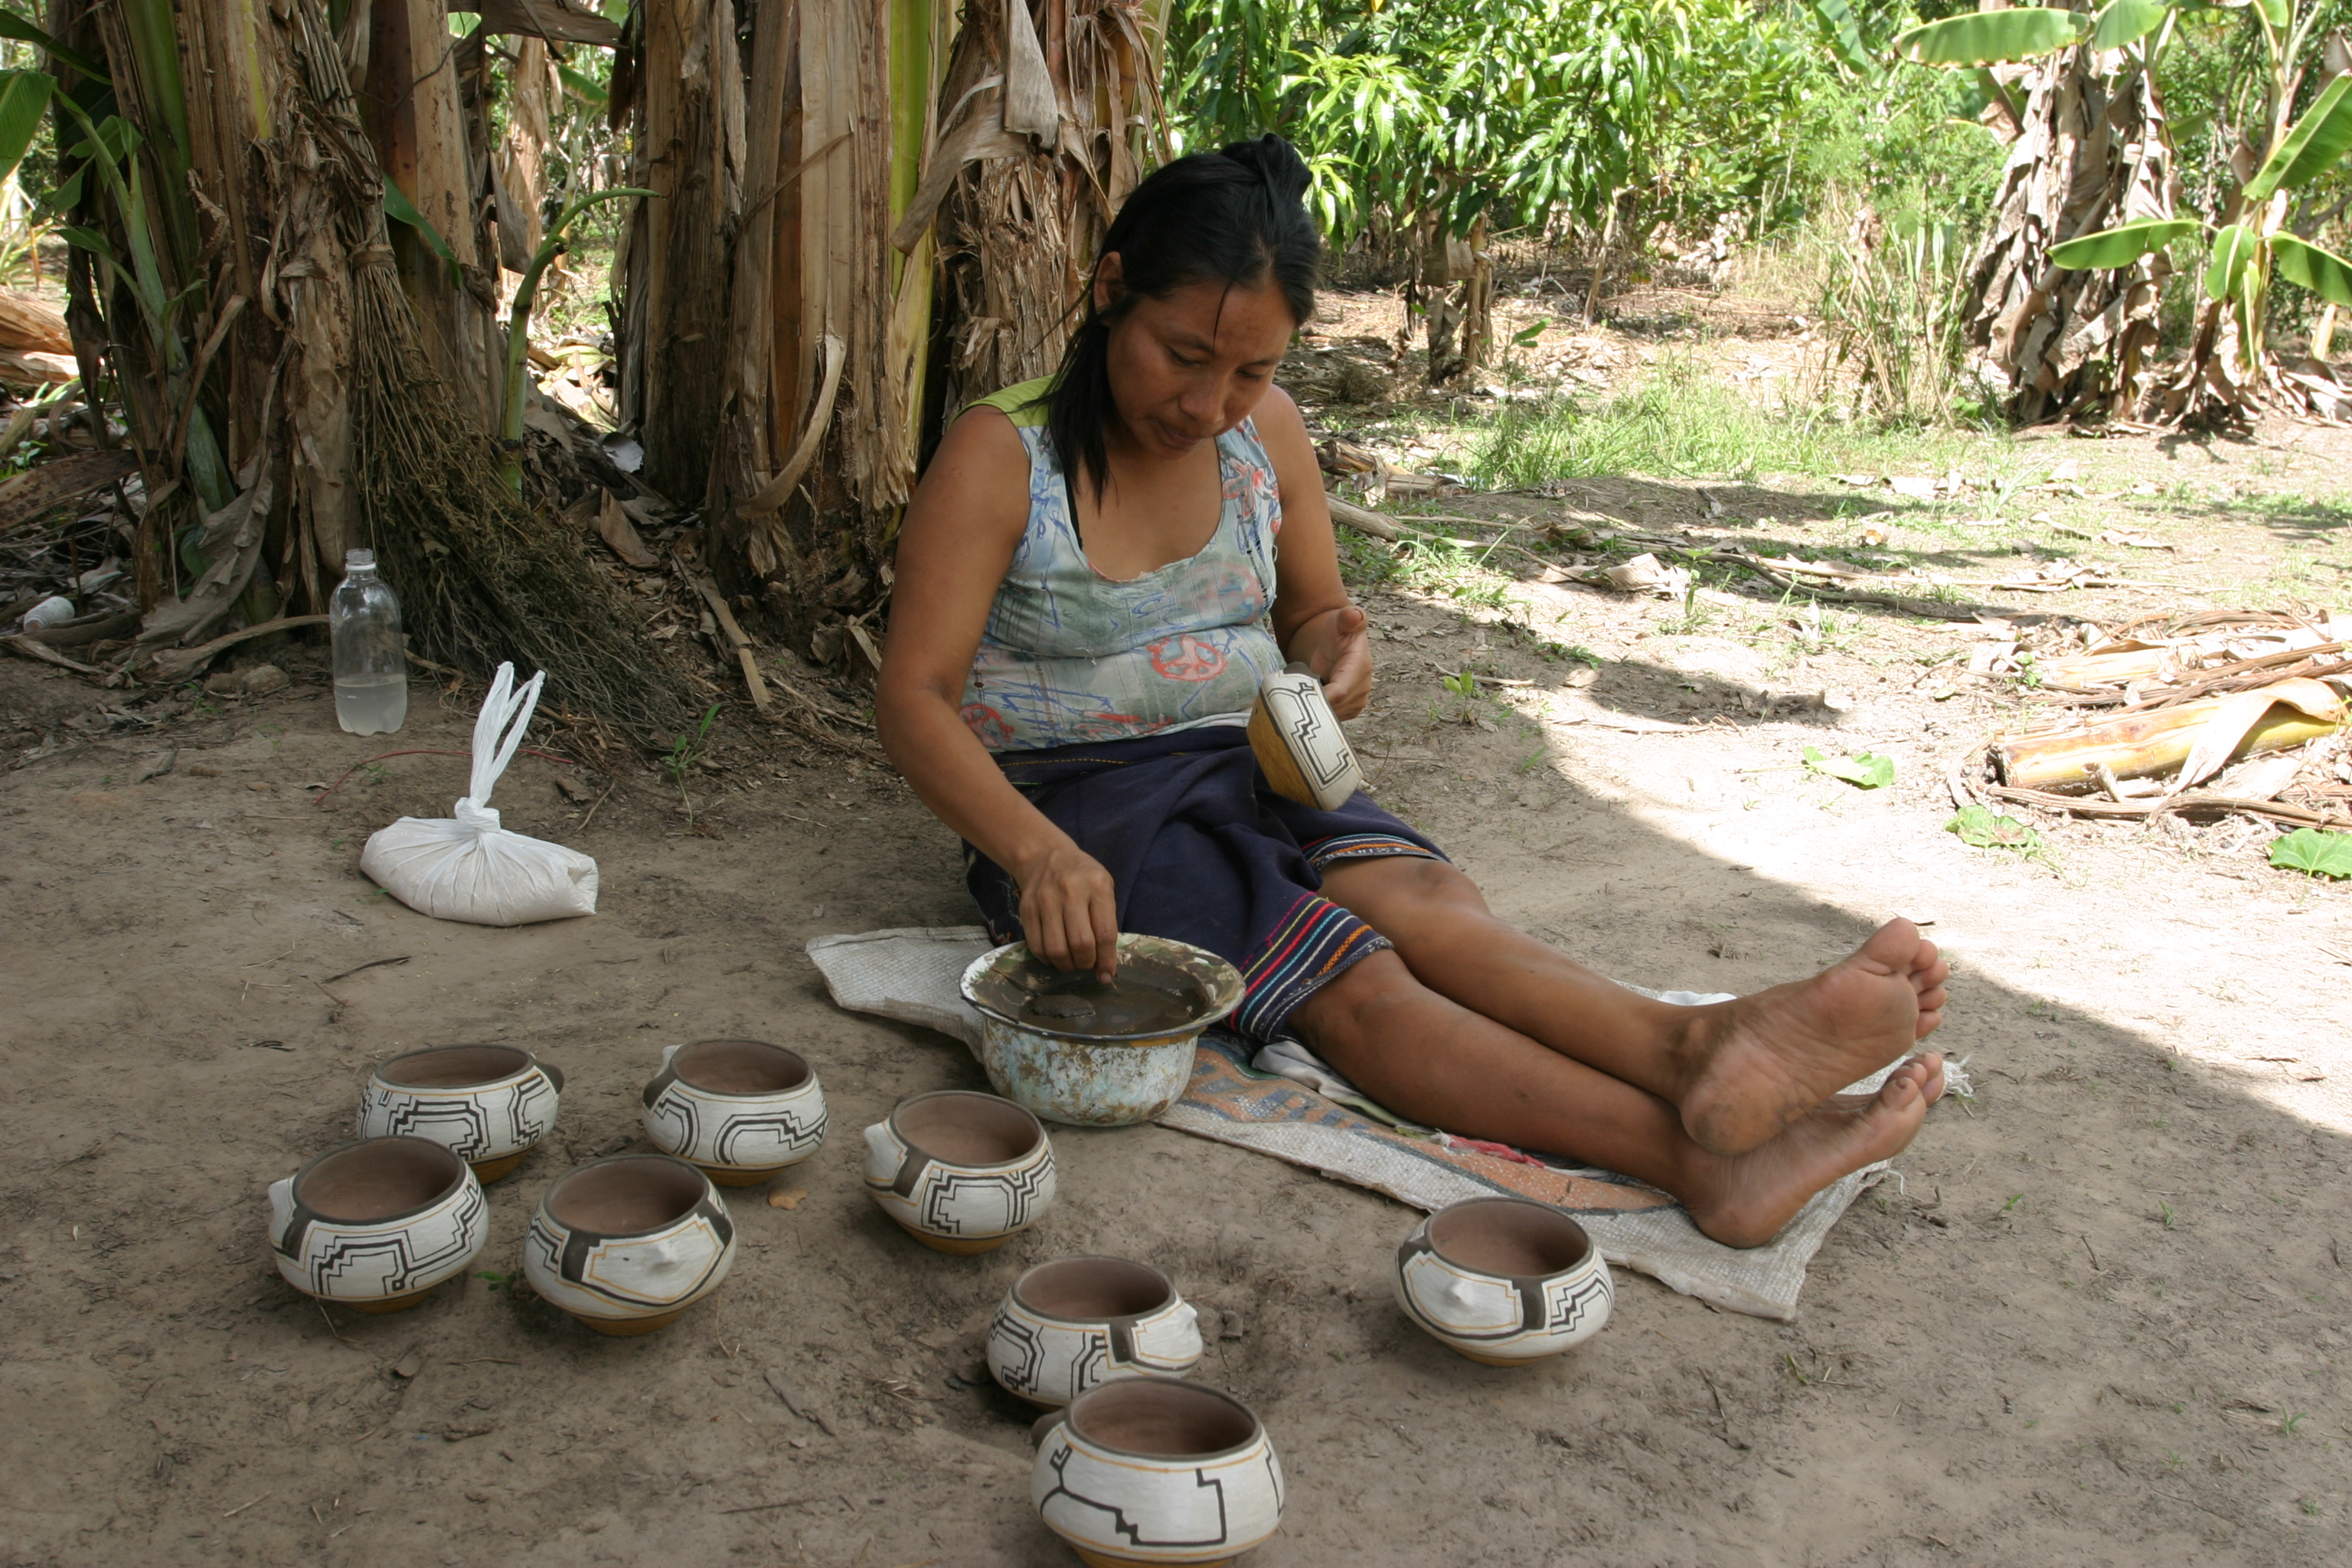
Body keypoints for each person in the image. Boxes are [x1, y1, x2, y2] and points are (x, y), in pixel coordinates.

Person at [876, 135, 1947, 1248]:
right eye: (1182, 353)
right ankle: (1701, 1160)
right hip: (1095, 800)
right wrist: (1038, 851)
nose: (1208, 403)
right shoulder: (1008, 457)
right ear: (1110, 291)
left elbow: (1311, 619)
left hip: (1266, 758)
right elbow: (914, 696)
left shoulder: (1265, 439)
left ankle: (1694, 1051)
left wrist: (1335, 661)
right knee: (1357, 983)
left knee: (1431, 909)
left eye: (1251, 371)